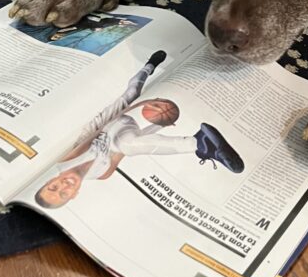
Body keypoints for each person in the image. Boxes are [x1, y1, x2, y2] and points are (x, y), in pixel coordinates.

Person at [34, 50, 244, 209]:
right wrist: (157, 125)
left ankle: (149, 66)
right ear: (74, 195)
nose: (63, 186)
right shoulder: (102, 174)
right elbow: (131, 147)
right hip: (128, 135)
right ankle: (198, 143)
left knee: (133, 91)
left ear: (51, 180)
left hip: (108, 123)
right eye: (64, 194)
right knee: (126, 144)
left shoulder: (65, 160)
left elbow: (100, 127)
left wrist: (140, 104)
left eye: (54, 187)